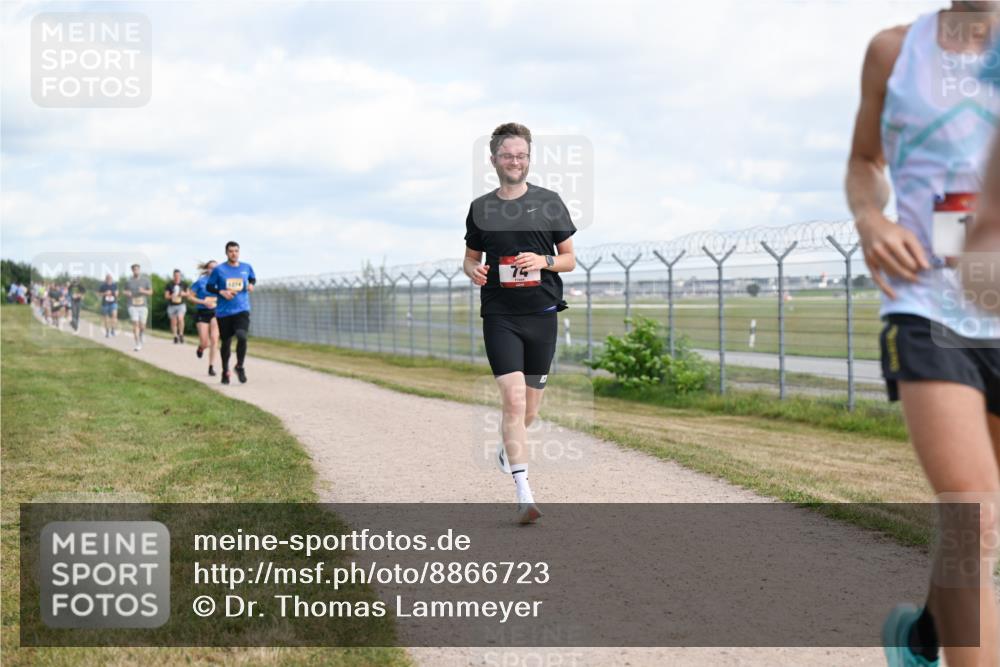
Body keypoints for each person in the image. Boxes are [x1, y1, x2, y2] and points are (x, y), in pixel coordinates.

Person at [845, 5, 1000, 666]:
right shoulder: (893, 52)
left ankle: (924, 637)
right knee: (973, 516)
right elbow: (863, 160)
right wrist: (870, 218)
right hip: (927, 301)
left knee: (981, 524)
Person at [463, 122, 576, 524]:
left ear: (529, 159)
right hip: (500, 315)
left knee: (528, 411)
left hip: (542, 315)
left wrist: (543, 261)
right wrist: (472, 270)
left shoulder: (549, 203)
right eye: (509, 155)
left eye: (522, 155)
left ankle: (506, 448)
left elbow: (569, 259)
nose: (516, 161)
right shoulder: (481, 208)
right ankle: (524, 493)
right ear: (494, 159)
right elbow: (470, 257)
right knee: (512, 402)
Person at [206, 242, 255, 384]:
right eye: (231, 251)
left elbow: (252, 278)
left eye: (236, 251)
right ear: (226, 253)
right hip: (224, 312)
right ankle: (225, 370)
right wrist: (221, 291)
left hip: (242, 308)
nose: (234, 253)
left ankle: (239, 366)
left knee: (242, 336)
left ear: (239, 252)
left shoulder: (246, 267)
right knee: (226, 343)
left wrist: (251, 284)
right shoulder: (219, 269)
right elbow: (210, 286)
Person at [188, 260, 220, 376]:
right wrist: (202, 301)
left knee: (215, 338)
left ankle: (211, 366)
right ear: (207, 269)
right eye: (211, 268)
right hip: (202, 312)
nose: (213, 270)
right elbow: (190, 296)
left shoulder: (221, 282)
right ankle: (201, 348)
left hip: (216, 312)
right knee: (205, 342)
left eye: (215, 268)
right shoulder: (200, 282)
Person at [123, 263, 152, 351]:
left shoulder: (146, 280)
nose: (136, 271)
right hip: (132, 305)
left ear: (139, 270)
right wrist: (127, 293)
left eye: (137, 269)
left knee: (142, 326)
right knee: (135, 324)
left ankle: (142, 334)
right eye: (134, 269)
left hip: (143, 305)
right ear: (132, 270)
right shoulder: (129, 281)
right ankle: (137, 344)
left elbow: (151, 292)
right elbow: (124, 291)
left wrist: (143, 291)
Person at [164, 269, 189, 344]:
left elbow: (188, 294)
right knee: (173, 321)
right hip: (171, 305)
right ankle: (175, 336)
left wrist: (182, 294)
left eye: (178, 275)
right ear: (173, 276)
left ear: (180, 276)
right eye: (175, 275)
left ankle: (181, 334)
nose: (177, 277)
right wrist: (172, 295)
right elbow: (166, 296)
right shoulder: (169, 285)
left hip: (181, 305)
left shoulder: (184, 284)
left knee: (180, 318)